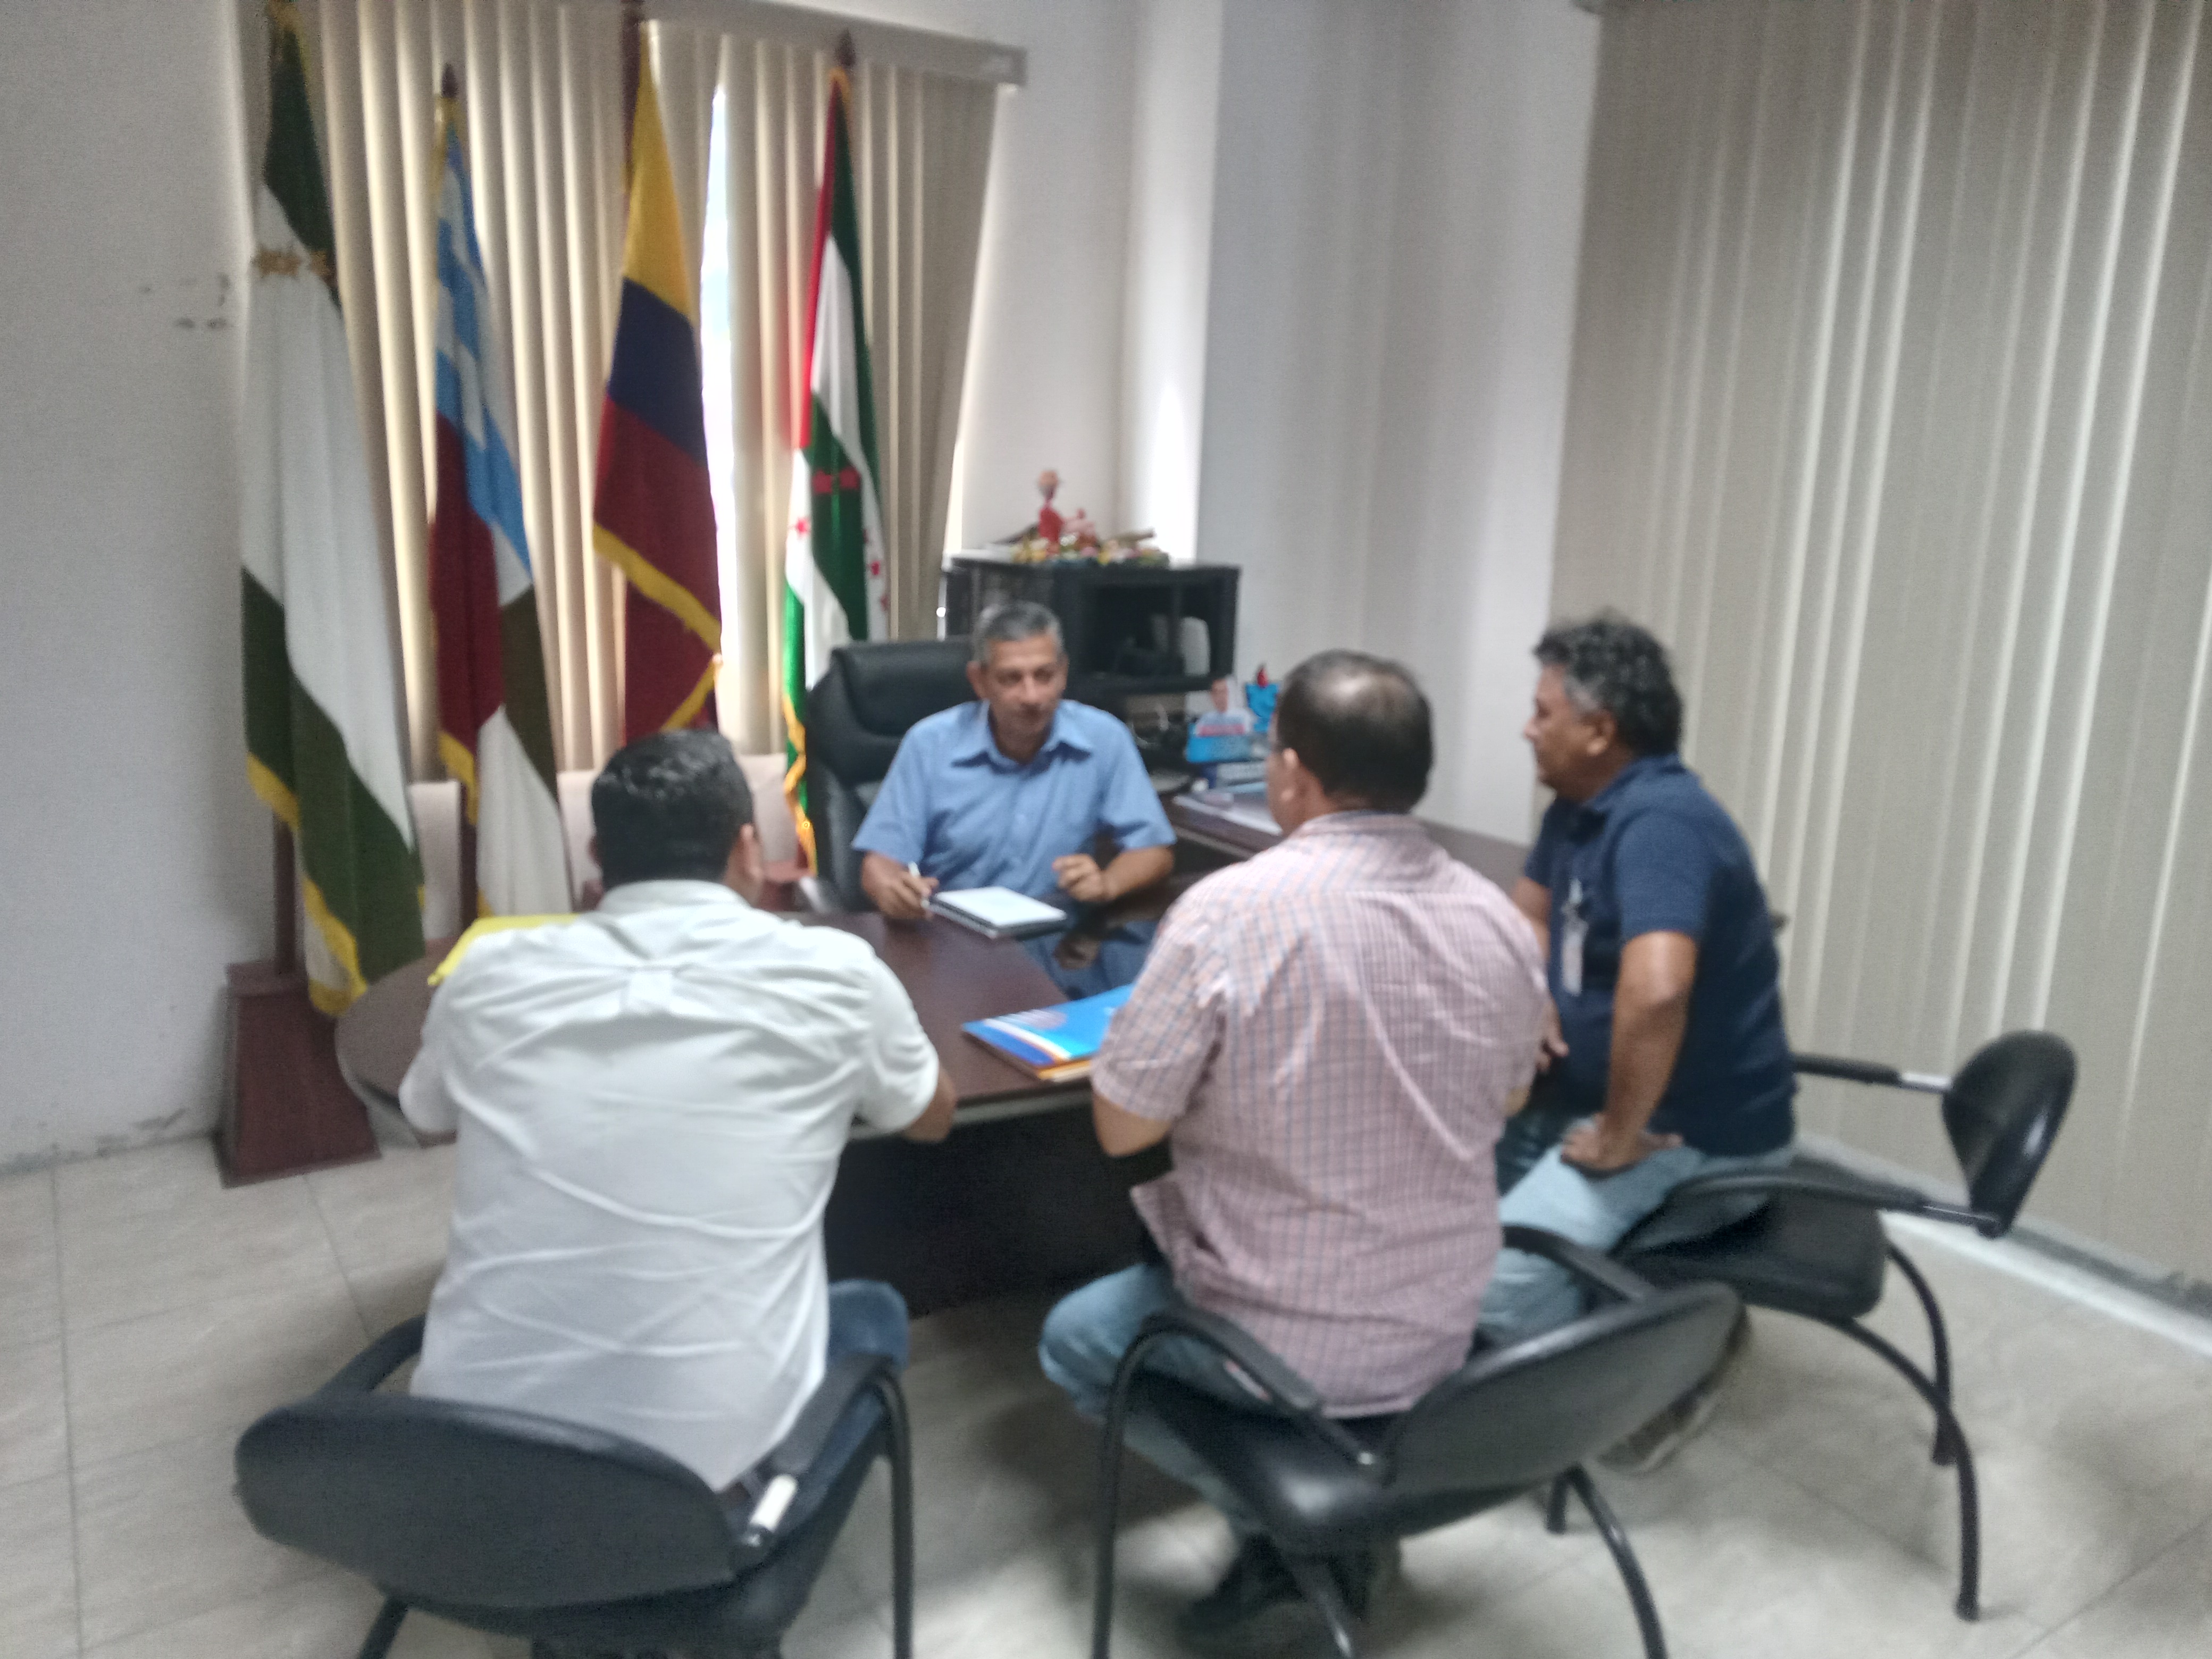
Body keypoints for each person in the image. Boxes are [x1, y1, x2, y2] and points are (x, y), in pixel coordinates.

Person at [1038, 650, 1547, 1652]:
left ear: (1293, 774)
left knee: (1075, 1341)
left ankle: (1287, 1534)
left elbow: (1122, 1127)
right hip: (1447, 1329)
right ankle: (1332, 1532)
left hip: (1275, 1343)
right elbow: (1514, 1093)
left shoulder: (1230, 911)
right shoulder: (1496, 918)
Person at [399, 730, 958, 1515]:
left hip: (465, 1479)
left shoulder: (486, 972)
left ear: (597, 855)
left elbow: (425, 1113)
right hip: (697, 1514)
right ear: (747, 849)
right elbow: (930, 1119)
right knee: (871, 1312)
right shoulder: (836, 975)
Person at [1479, 614, 1796, 1468]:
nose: (1527, 728)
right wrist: (1537, 993)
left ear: (1600, 730)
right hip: (1586, 1100)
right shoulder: (1579, 809)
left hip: (1693, 1137)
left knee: (1493, 1282)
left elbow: (1658, 991)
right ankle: (1598, 1322)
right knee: (1440, 1205)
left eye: (1543, 712)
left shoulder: (1662, 824)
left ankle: (1661, 1377)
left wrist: (1622, 1135)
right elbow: (1528, 919)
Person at [852, 601, 1175, 919]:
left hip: (1060, 936)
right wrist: (893, 891)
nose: (1032, 696)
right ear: (979, 681)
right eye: (1011, 679)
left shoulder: (1103, 738)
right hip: (953, 934)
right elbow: (880, 862)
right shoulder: (929, 745)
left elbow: (1154, 849)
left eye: (1044, 676)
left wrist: (1108, 884)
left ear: (1063, 672)